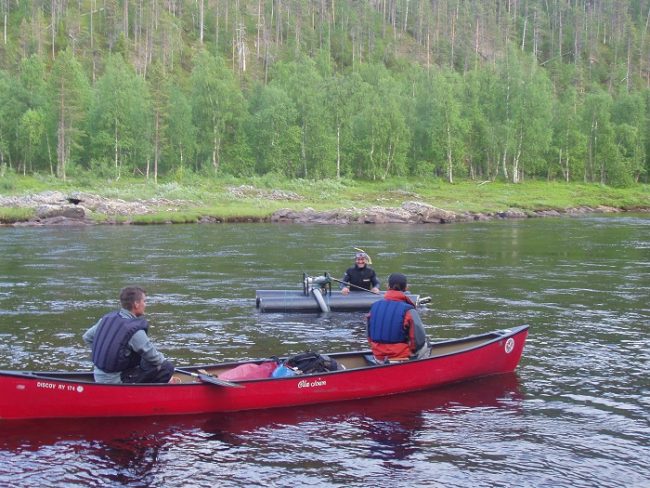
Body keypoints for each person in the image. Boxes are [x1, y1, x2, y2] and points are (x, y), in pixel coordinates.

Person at [83, 286, 175, 384]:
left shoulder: (107, 319)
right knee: (167, 367)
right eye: (144, 301)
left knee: (144, 360)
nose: (145, 304)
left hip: (98, 375)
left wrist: (103, 354)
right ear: (136, 304)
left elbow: (87, 337)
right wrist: (168, 370)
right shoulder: (134, 330)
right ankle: (150, 394)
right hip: (116, 381)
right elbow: (155, 357)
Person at [366, 273, 429, 362]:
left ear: (388, 286)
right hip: (400, 355)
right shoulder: (409, 310)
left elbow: (369, 336)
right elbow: (418, 341)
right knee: (426, 344)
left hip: (377, 355)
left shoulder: (374, 307)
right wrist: (411, 350)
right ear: (406, 288)